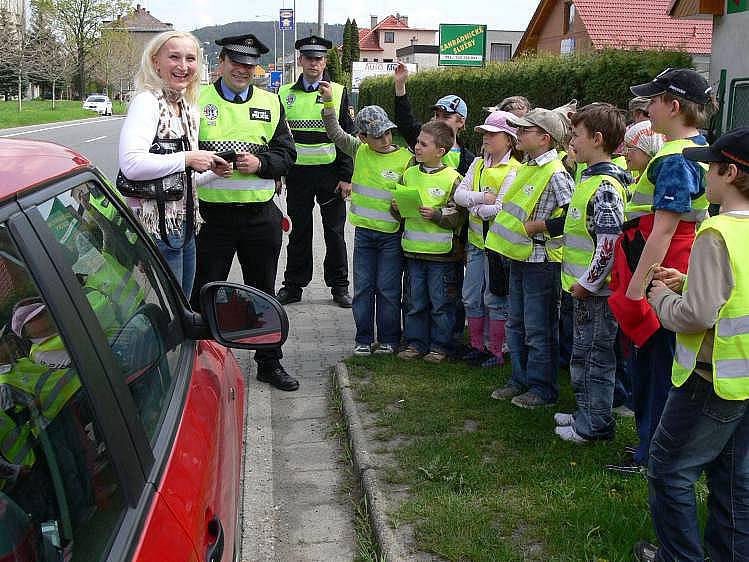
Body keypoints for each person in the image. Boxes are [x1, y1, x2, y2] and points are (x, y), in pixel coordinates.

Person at [634, 127, 749, 562]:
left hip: (710, 376)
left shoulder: (716, 231)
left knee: (668, 471)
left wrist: (659, 295)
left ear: (731, 172)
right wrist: (689, 283)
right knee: (735, 478)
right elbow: (735, 294)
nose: (704, 172)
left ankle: (678, 557)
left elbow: (696, 316)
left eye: (712, 166)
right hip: (743, 377)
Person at [607, 68, 711, 474]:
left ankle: (652, 454)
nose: (647, 107)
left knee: (655, 373)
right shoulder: (698, 147)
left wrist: (637, 290)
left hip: (660, 276)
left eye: (653, 100)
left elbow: (664, 228)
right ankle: (655, 449)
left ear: (674, 106)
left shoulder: (674, 158)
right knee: (661, 369)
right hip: (674, 272)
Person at [191, 33, 298, 392]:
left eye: (250, 64)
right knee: (204, 292)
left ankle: (268, 362)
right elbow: (181, 155)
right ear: (221, 62)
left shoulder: (271, 102)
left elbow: (287, 155)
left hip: (259, 217)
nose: (243, 69)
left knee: (263, 292)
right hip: (213, 220)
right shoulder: (197, 99)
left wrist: (262, 163)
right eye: (236, 62)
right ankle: (201, 365)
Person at [118, 31, 228, 297]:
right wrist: (188, 158)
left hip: (184, 224)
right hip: (155, 229)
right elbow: (131, 164)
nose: (183, 66)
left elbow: (180, 182)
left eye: (190, 59)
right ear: (156, 62)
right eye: (174, 57)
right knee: (166, 313)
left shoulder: (188, 108)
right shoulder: (148, 101)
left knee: (182, 309)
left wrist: (212, 171)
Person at [486, 108, 575, 407]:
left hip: (542, 262)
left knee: (539, 329)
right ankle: (520, 380)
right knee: (517, 324)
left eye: (525, 131)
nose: (519, 134)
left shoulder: (556, 173)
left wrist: (541, 227)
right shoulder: (530, 166)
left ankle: (542, 389)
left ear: (545, 138)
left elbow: (574, 216)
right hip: (521, 257)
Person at [552, 103, 629, 443]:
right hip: (582, 290)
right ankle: (585, 412)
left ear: (597, 139)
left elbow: (609, 243)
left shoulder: (605, 186)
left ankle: (596, 423)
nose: (572, 141)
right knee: (581, 355)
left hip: (596, 294)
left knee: (596, 359)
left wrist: (588, 283)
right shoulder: (589, 180)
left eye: (577, 135)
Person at [319, 94, 413, 355]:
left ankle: (389, 339)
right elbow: (335, 133)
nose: (384, 140)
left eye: (387, 133)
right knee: (362, 289)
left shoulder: (405, 159)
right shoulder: (359, 151)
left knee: (387, 289)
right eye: (377, 135)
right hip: (364, 235)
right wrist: (328, 105)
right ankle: (363, 338)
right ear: (362, 137)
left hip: (391, 236)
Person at [276, 35, 355, 308]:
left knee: (334, 233)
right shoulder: (284, 93)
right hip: (297, 176)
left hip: (330, 174)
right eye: (309, 58)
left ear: (325, 61)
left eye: (319, 58)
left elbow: (347, 136)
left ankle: (340, 287)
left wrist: (346, 176)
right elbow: (278, 139)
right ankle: (294, 286)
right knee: (299, 232)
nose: (314, 63)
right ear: (300, 60)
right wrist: (278, 173)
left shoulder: (338, 91)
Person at [393, 121, 465, 363]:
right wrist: (396, 208)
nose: (417, 147)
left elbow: (459, 215)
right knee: (414, 302)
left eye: (423, 144)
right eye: (417, 143)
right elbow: (399, 211)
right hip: (413, 252)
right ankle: (415, 343)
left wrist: (436, 214)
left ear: (440, 151)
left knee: (441, 303)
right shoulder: (409, 174)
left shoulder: (453, 178)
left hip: (441, 257)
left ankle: (440, 346)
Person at [454, 111, 521, 368]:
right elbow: (460, 195)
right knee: (471, 295)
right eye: (484, 134)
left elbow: (502, 207)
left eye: (493, 134)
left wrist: (475, 204)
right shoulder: (478, 164)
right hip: (475, 242)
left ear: (509, 139)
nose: (486, 139)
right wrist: (482, 200)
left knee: (494, 297)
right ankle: (476, 345)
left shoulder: (514, 169)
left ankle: (496, 349)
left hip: (497, 246)